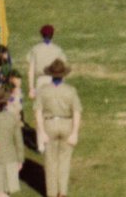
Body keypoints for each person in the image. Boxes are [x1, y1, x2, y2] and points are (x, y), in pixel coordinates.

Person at [34, 59, 82, 197]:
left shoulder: (43, 90)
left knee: (50, 161)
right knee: (64, 161)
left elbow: (38, 112)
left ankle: (52, 193)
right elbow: (77, 112)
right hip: (66, 124)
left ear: (51, 74)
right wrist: (74, 133)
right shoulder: (70, 91)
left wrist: (41, 132)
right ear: (63, 75)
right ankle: (62, 192)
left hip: (49, 124)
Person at [0, 86, 23, 197]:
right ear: (4, 102)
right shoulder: (12, 118)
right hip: (9, 159)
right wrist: (20, 159)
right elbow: (18, 141)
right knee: (4, 192)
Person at [26, 25, 67, 100]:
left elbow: (31, 70)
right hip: (54, 81)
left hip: (41, 82)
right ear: (52, 35)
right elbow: (62, 69)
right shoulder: (57, 50)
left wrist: (31, 88)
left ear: (42, 35)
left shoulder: (35, 49)